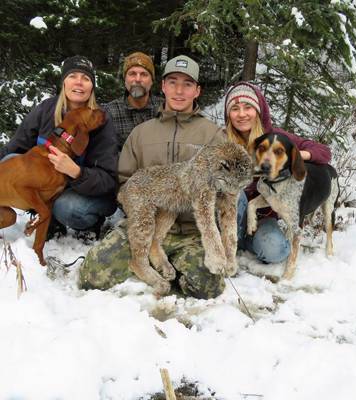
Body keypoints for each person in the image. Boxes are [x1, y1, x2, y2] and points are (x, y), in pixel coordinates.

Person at [79, 55, 227, 299]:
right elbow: (125, 182)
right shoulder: (141, 133)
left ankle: (169, 263)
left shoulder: (213, 136)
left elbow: (222, 190)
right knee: (92, 275)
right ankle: (150, 260)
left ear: (197, 90)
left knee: (207, 286)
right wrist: (143, 216)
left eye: (187, 84)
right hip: (144, 225)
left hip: (190, 232)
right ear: (163, 87)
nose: (179, 90)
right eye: (173, 82)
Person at [0, 56, 118, 238]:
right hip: (52, 186)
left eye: (86, 78)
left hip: (84, 193)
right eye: (73, 76)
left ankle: (88, 226)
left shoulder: (100, 119)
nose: (79, 82)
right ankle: (48, 219)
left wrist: (77, 172)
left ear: (92, 87)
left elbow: (108, 180)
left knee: (69, 207)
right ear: (64, 82)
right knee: (9, 162)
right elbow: (14, 149)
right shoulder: (46, 109)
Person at [224, 81, 332, 264]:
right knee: (235, 193)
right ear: (228, 114)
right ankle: (230, 243)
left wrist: (297, 156)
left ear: (258, 110)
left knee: (276, 251)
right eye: (235, 108)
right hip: (231, 213)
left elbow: (324, 152)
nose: (242, 114)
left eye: (248, 107)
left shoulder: (275, 138)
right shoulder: (221, 139)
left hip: (264, 215)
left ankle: (247, 244)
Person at [103, 51, 162, 149]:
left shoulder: (164, 108)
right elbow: (106, 152)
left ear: (152, 80)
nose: (138, 79)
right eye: (132, 74)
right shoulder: (109, 112)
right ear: (125, 79)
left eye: (144, 74)